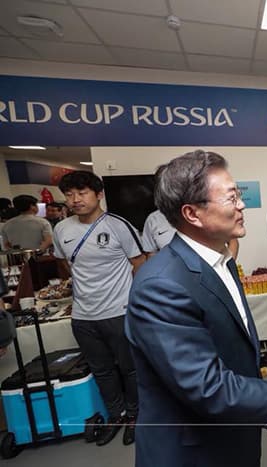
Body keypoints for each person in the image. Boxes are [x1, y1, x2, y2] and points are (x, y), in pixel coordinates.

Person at [125, 150, 267, 467]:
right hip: (195, 451)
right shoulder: (162, 285)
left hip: (233, 432)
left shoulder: (220, 260)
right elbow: (207, 387)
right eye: (231, 197)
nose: (241, 205)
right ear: (192, 214)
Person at [53, 171, 146, 446]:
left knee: (130, 369)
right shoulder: (61, 229)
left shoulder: (118, 226)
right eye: (70, 195)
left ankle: (135, 417)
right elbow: (64, 263)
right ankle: (115, 416)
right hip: (83, 315)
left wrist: (132, 300)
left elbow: (139, 263)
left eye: (82, 193)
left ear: (98, 194)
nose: (75, 200)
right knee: (102, 370)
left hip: (119, 312)